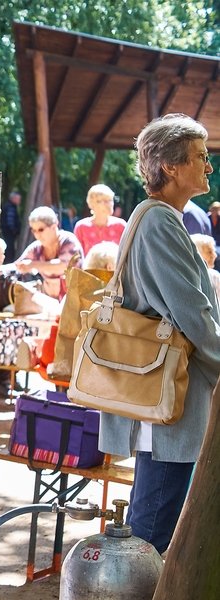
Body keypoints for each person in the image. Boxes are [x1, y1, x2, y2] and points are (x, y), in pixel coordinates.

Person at [99, 113, 220, 555]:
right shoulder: (159, 221)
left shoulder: (160, 218)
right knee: (149, 539)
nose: (209, 166)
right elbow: (192, 313)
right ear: (170, 165)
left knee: (151, 530)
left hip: (166, 397)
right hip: (166, 403)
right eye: (200, 157)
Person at [14, 206, 83, 300]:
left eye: (41, 230)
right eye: (34, 230)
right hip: (50, 301)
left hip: (76, 301)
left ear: (54, 226)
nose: (37, 235)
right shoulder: (37, 248)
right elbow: (17, 266)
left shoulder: (68, 241)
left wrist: (33, 265)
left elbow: (64, 266)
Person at [73, 184, 127, 255]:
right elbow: (77, 257)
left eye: (110, 200)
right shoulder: (81, 227)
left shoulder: (121, 226)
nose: (109, 204)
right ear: (92, 204)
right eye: (104, 201)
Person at [190, 234, 220, 305]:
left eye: (213, 251)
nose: (214, 255)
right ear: (198, 254)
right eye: (209, 251)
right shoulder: (188, 277)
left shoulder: (215, 277)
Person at [0, 191, 22, 262]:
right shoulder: (11, 208)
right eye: (18, 199)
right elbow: (10, 221)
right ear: (13, 198)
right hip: (9, 233)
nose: (19, 201)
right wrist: (15, 231)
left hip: (7, 232)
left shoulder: (9, 206)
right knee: (9, 250)